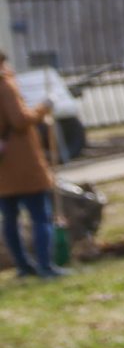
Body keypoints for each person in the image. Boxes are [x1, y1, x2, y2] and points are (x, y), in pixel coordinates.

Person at [0, 51, 63, 280]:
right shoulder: (4, 86)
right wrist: (44, 107)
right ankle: (45, 266)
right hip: (21, 161)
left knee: (9, 217)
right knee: (40, 215)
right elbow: (20, 120)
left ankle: (23, 266)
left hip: (3, 168)